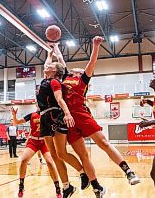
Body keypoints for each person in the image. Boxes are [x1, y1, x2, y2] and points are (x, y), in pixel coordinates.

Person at [57, 37, 140, 187]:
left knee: (103, 142)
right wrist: (55, 45)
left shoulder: (82, 80)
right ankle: (96, 186)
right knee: (83, 155)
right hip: (68, 118)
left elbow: (92, 63)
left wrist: (96, 45)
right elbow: (60, 59)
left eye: (79, 69)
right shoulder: (65, 77)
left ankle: (128, 171)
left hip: (80, 113)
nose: (76, 68)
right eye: (74, 69)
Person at [37, 45, 87, 198]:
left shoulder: (55, 82)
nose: (47, 66)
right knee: (54, 155)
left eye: (50, 67)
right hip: (44, 118)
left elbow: (60, 100)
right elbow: (47, 64)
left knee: (61, 153)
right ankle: (67, 187)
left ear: (55, 72)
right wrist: (49, 53)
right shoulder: (46, 78)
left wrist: (67, 113)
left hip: (54, 115)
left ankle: (82, 172)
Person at [11, 106, 62, 198]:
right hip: (33, 141)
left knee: (50, 162)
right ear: (36, 105)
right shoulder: (31, 115)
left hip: (45, 141)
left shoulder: (49, 114)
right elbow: (16, 122)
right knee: (24, 160)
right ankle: (21, 186)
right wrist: (14, 115)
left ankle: (57, 188)